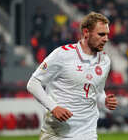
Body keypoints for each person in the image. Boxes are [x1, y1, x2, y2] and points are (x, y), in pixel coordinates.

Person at [27, 12, 118, 140]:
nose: (106, 39)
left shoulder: (105, 61)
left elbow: (96, 91)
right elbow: (33, 83)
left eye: (107, 34)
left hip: (88, 133)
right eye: (101, 34)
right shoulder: (62, 55)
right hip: (58, 134)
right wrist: (53, 108)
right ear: (86, 32)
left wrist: (104, 100)